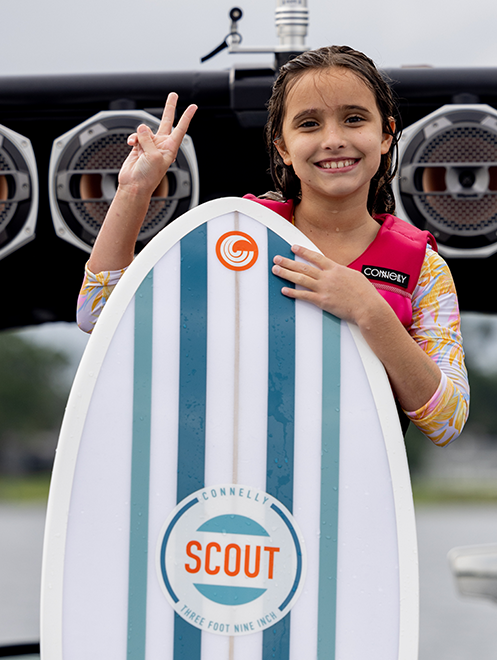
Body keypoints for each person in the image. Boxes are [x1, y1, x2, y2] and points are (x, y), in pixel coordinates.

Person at [76, 46, 468, 447]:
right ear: (283, 148)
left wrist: (370, 311)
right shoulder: (233, 236)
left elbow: (446, 421)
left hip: (358, 485)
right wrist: (134, 190)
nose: (333, 140)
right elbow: (98, 312)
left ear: (386, 135)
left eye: (354, 119)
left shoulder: (423, 267)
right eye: (309, 124)